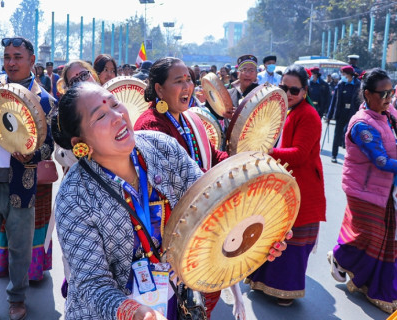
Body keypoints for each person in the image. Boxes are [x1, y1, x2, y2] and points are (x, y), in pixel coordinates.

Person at [52, 81, 289, 320]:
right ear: (80, 143)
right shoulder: (75, 195)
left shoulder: (163, 148)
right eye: (101, 115)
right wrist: (136, 313)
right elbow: (92, 283)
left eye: (115, 104)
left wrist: (252, 235)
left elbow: (209, 209)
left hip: (176, 299)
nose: (118, 116)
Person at [134, 57, 246, 319]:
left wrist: (240, 164)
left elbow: (208, 154)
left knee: (202, 295)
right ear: (159, 89)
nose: (187, 86)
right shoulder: (150, 126)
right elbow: (165, 184)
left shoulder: (188, 119)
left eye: (189, 80)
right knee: (179, 300)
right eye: (178, 81)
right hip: (171, 227)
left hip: (201, 211)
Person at [0, 36, 55, 320]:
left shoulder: (44, 100)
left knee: (20, 249)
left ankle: (17, 299)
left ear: (31, 61)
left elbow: (49, 145)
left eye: (17, 56)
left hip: (22, 185)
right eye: (7, 57)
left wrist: (33, 156)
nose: (11, 62)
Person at [246, 64, 327, 307]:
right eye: (284, 87)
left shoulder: (308, 115)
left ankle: (285, 290)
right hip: (282, 184)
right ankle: (261, 281)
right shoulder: (284, 110)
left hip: (301, 189)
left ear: (304, 91)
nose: (288, 93)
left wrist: (266, 151)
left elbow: (300, 154)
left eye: (294, 89)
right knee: (272, 234)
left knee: (291, 242)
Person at [327, 68, 397, 314]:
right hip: (363, 189)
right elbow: (379, 160)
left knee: (386, 240)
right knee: (368, 237)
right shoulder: (361, 125)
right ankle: (340, 257)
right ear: (367, 94)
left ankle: (374, 284)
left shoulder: (389, 115)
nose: (389, 98)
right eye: (384, 93)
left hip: (386, 189)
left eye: (391, 92)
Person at [326, 65, 361, 163]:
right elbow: (334, 101)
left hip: (352, 113)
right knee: (337, 134)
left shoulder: (358, 85)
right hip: (341, 112)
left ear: (350, 75)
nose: (342, 76)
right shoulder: (341, 85)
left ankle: (349, 156)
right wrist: (329, 115)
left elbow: (360, 101)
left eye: (344, 74)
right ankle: (334, 155)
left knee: (350, 135)